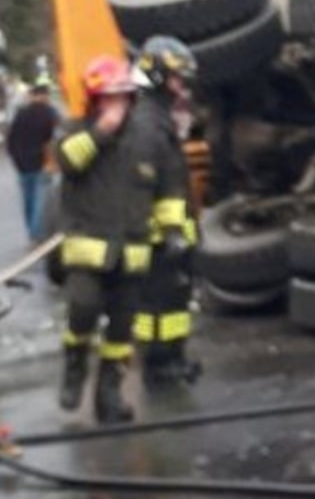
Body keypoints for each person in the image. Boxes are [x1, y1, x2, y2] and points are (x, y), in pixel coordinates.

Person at [55, 55, 170, 424]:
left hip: (133, 252)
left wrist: (173, 231)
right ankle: (74, 368)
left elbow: (169, 189)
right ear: (95, 99)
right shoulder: (75, 131)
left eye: (123, 96)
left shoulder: (146, 142)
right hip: (88, 250)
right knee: (82, 310)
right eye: (110, 96)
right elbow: (67, 161)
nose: (117, 103)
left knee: (122, 330)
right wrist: (101, 131)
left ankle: (109, 396)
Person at [128, 36, 203, 387]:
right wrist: (171, 232)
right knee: (156, 304)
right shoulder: (147, 123)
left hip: (168, 236)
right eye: (176, 77)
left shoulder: (158, 117)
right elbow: (153, 184)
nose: (181, 85)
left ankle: (172, 357)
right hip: (157, 239)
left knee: (174, 302)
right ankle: (157, 362)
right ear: (158, 76)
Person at [5, 78, 61, 242]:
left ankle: (31, 229)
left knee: (28, 199)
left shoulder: (21, 113)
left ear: (32, 95)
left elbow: (11, 139)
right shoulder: (50, 113)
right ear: (45, 95)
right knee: (41, 199)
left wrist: (15, 158)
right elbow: (57, 137)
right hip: (42, 161)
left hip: (21, 163)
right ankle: (38, 233)